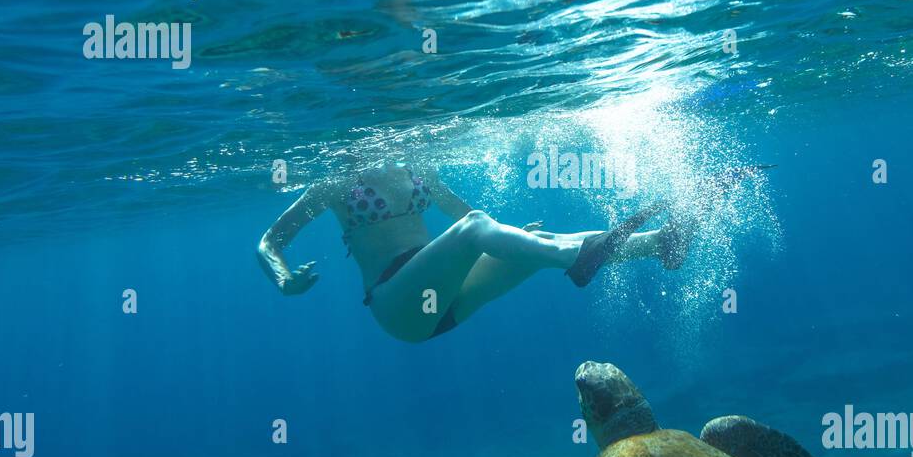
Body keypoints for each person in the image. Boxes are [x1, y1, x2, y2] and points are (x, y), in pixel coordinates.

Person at [257, 162, 692, 343]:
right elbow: (270, 241)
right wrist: (284, 280)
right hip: (399, 305)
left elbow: (461, 213)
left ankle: (660, 243)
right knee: (483, 229)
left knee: (535, 241)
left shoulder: (414, 166)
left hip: (447, 293)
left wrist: (512, 237)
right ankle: (575, 258)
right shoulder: (335, 181)